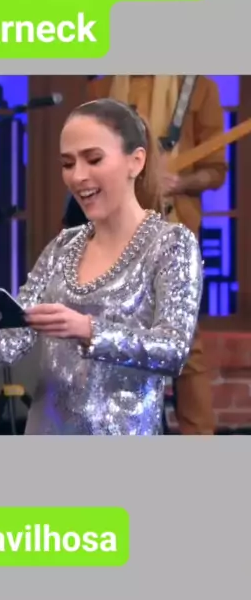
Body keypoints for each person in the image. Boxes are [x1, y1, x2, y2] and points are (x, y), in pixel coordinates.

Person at [0, 99, 204, 435]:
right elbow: (14, 340)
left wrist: (89, 330)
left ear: (136, 161)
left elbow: (173, 351)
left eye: (93, 159)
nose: (78, 176)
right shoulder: (62, 247)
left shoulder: (171, 244)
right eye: (68, 163)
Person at [85, 75, 227, 435]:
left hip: (173, 227)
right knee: (109, 332)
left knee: (186, 340)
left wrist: (179, 183)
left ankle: (199, 443)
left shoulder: (198, 87)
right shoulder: (102, 89)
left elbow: (216, 171)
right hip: (113, 229)